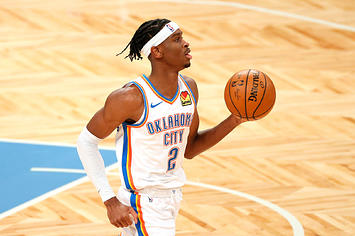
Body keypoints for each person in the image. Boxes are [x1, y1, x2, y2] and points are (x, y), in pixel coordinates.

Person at [77, 18, 246, 236]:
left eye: (182, 37)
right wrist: (110, 201)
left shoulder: (189, 89)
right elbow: (86, 142)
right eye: (177, 39)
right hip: (143, 203)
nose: (186, 43)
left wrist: (234, 120)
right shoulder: (131, 98)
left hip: (171, 198)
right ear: (157, 51)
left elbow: (190, 149)